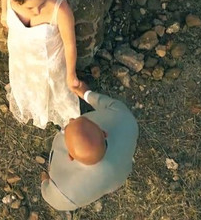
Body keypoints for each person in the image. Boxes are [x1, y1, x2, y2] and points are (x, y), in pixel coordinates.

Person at [0, 0, 81, 129]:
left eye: (41, 4)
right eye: (30, 7)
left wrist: (71, 74)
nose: (36, 11)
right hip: (21, 56)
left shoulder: (61, 10)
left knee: (53, 90)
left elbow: (70, 44)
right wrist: (4, 11)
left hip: (49, 63)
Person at [40, 81, 139, 213]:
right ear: (104, 133)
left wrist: (44, 182)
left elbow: (52, 199)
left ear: (70, 156)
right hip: (118, 175)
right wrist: (87, 94)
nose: (70, 120)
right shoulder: (125, 119)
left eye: (67, 130)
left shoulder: (65, 193)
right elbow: (111, 104)